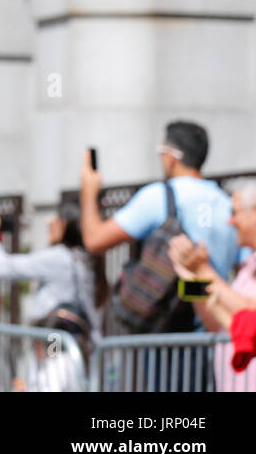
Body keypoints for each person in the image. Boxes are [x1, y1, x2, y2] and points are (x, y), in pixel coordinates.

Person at [80, 122, 240, 321]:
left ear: (171, 156)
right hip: (216, 329)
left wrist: (88, 190)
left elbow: (94, 240)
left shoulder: (159, 197)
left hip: (163, 330)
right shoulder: (229, 206)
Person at [0, 201, 98, 390]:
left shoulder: (58, 257)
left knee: (51, 381)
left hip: (56, 341)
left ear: (65, 225)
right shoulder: (86, 259)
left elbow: (2, 267)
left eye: (56, 218)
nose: (49, 222)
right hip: (81, 345)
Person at [166, 179, 256, 391]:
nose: (230, 221)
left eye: (235, 212)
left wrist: (203, 270)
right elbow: (219, 324)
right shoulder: (246, 269)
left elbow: (250, 315)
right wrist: (191, 280)